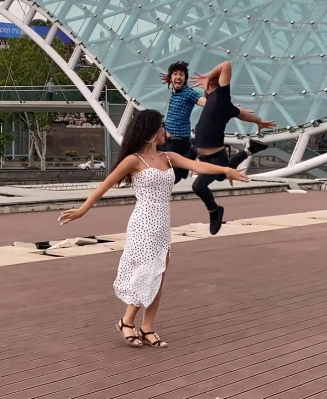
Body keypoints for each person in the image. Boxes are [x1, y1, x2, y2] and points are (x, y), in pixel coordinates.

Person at [58, 109, 249, 348]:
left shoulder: (168, 157)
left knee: (158, 275)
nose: (165, 132)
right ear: (150, 131)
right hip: (143, 223)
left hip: (162, 224)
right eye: (161, 128)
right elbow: (104, 185)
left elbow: (197, 166)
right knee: (147, 272)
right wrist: (83, 210)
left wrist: (226, 170)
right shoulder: (134, 160)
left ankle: (147, 327)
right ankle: (126, 321)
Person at [190, 61, 276, 235]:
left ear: (209, 86)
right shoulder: (220, 103)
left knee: (198, 187)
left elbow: (226, 65)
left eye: (205, 86)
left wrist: (208, 76)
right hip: (208, 157)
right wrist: (259, 121)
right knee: (222, 175)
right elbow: (242, 115)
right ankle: (250, 150)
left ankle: (215, 211)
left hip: (215, 158)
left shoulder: (220, 96)